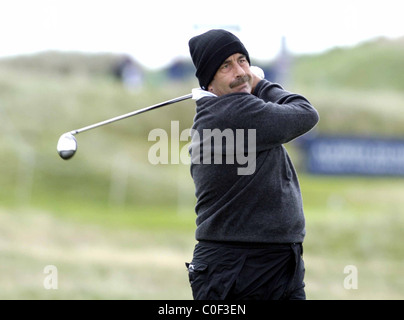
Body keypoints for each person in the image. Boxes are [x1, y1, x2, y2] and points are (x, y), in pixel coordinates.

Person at [186, 29, 319, 300]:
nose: (240, 71)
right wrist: (260, 83)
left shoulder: (228, 110)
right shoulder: (234, 112)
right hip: (237, 268)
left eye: (242, 60)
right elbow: (305, 113)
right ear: (209, 85)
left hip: (276, 262)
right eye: (225, 66)